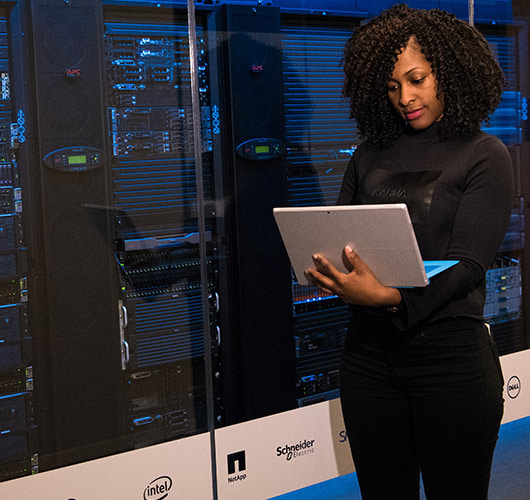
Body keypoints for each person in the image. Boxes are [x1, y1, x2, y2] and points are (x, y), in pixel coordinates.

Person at [304, 4, 514, 500]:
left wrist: (388, 297)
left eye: (417, 79)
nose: (406, 97)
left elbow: (468, 265)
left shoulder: (485, 155)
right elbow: (340, 236)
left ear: (449, 72)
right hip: (369, 362)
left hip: (452, 364)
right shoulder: (368, 155)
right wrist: (329, 270)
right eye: (393, 86)